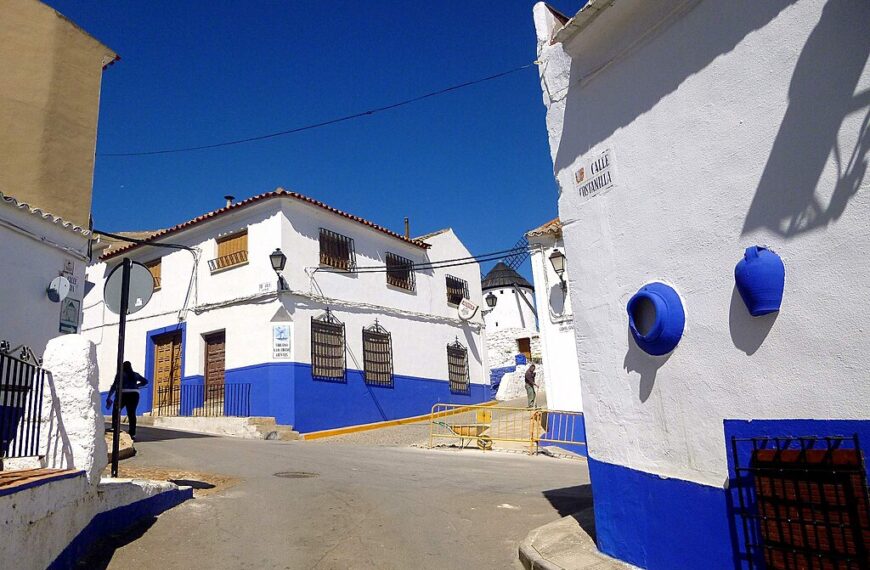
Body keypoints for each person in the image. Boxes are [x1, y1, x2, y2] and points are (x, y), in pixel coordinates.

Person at [106, 361, 148, 439]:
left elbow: (114, 385)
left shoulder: (120, 375)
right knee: (131, 413)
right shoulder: (135, 374)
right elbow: (145, 381)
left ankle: (115, 428)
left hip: (123, 394)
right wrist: (136, 386)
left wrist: (109, 396)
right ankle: (132, 433)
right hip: (134, 394)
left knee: (116, 411)